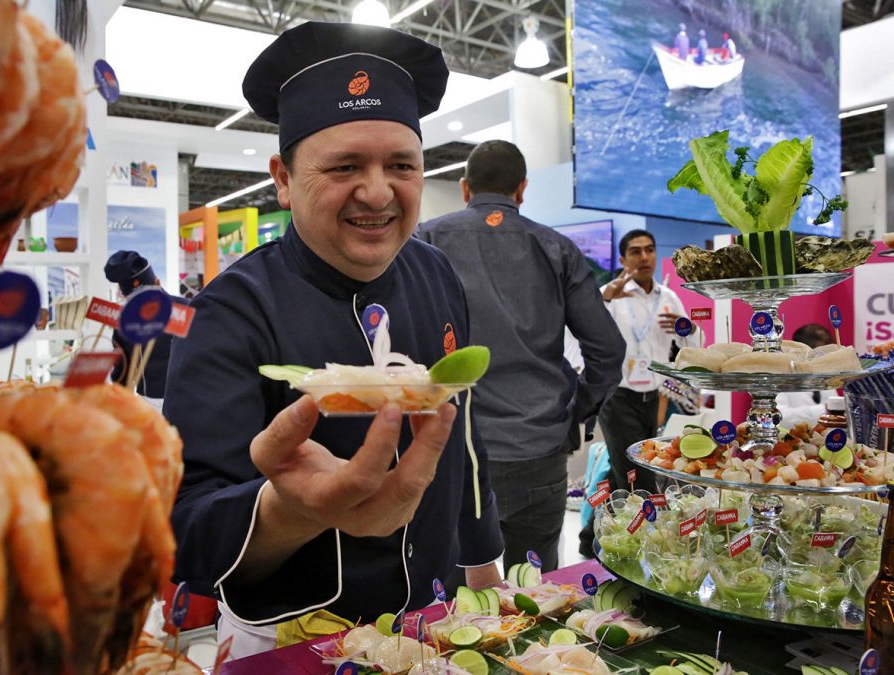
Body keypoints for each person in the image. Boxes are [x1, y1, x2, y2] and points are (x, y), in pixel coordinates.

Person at [163, 22, 503, 659]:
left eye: (401, 165)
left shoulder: (436, 275)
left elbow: (463, 435)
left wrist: (484, 560)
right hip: (291, 638)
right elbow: (185, 528)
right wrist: (297, 509)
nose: (378, 192)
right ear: (283, 179)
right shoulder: (228, 311)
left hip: (434, 621)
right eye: (345, 166)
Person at [416, 140, 624, 573]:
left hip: (450, 449)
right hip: (538, 446)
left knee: (452, 596)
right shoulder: (558, 249)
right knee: (537, 589)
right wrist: (576, 414)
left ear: (464, 188)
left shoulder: (425, 241)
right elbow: (608, 350)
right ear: (522, 189)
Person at [578, 230, 685, 557]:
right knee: (637, 474)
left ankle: (589, 538)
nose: (644, 257)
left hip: (654, 397)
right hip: (618, 396)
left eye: (650, 250)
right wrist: (606, 297)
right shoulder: (609, 296)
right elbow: (583, 327)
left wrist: (685, 330)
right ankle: (638, 550)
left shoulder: (669, 298)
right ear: (623, 260)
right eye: (635, 252)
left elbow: (689, 344)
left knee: (622, 470)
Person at [104, 250, 176, 408]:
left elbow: (122, 374)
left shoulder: (125, 323)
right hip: (190, 402)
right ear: (157, 282)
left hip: (150, 406)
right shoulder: (187, 309)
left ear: (123, 294)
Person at [776, 323, 835, 427]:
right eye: (820, 353)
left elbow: (835, 418)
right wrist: (823, 410)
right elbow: (778, 417)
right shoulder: (780, 375)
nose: (824, 358)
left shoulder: (826, 374)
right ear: (801, 351)